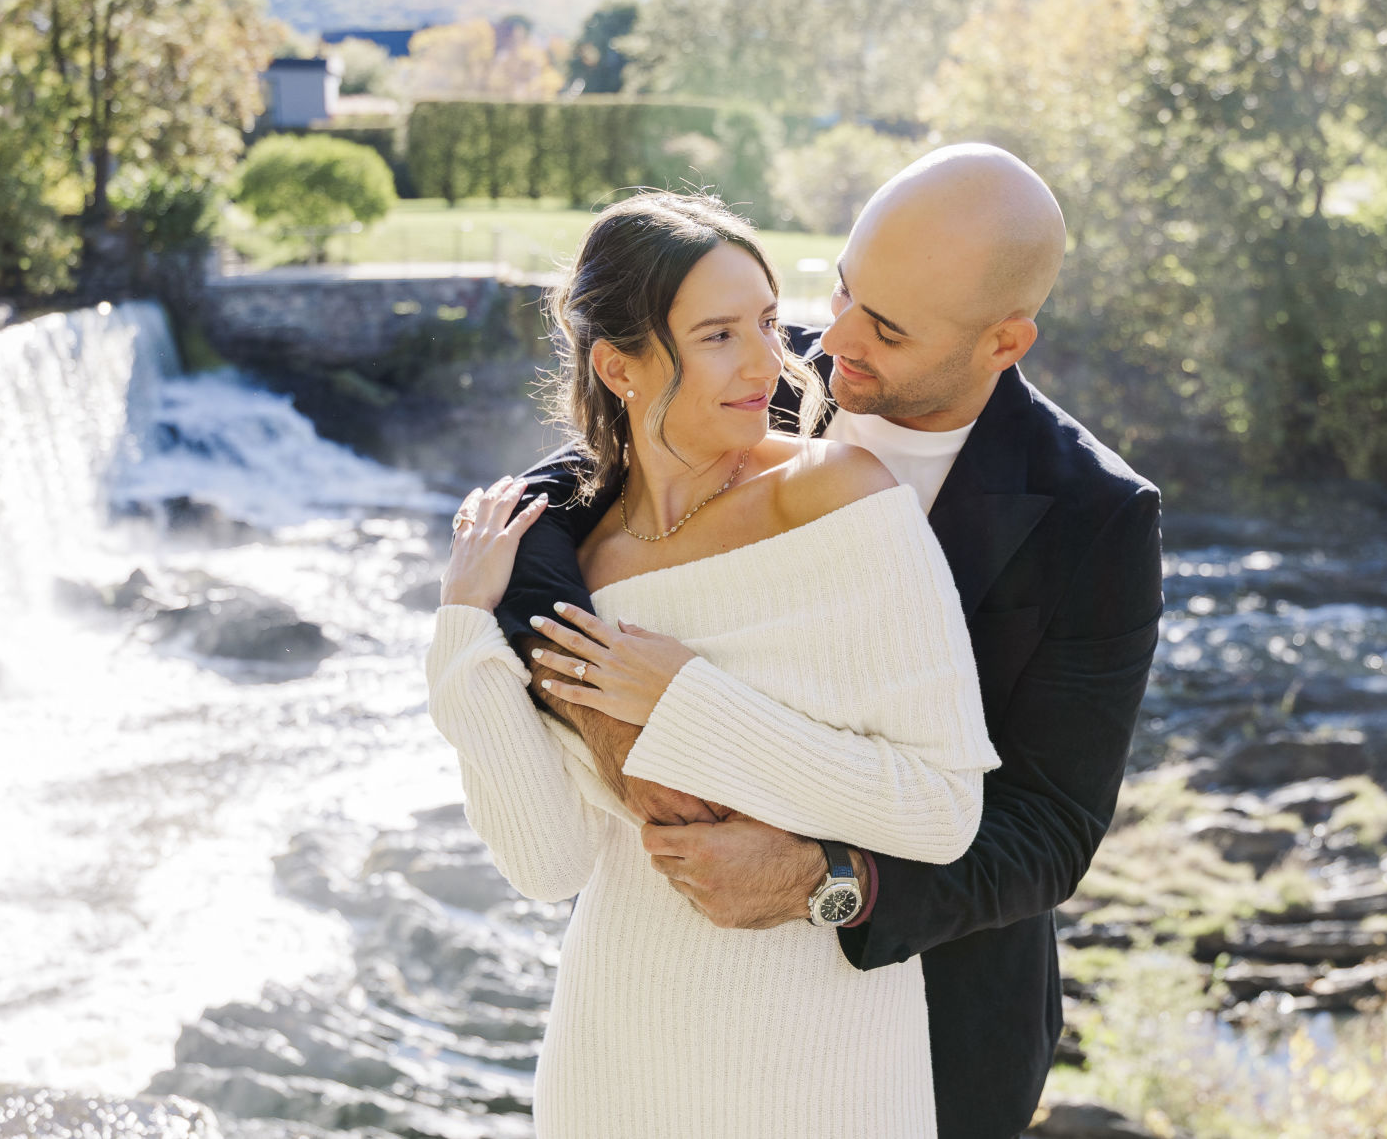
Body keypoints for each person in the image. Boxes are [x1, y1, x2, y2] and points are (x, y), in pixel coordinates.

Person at [499, 146, 1163, 1139]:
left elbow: (1048, 829)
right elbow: (539, 516)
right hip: (686, 1008)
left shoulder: (1093, 516)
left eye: (886, 327)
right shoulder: (756, 370)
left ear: (1003, 340)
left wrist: (824, 881)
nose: (832, 339)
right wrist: (609, 728)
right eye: (843, 289)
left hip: (937, 1027)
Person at [427, 190, 999, 1139]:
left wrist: (683, 699)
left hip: (824, 1069)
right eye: (719, 334)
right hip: (613, 1064)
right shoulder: (578, 566)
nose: (768, 361)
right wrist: (463, 630)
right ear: (620, 365)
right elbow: (548, 860)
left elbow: (941, 811)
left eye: (769, 323)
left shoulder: (840, 499)